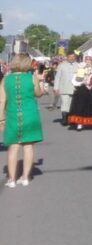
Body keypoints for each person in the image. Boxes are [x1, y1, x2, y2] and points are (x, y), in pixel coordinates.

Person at [2, 54, 44, 187]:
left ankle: (12, 179)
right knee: (28, 146)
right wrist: (40, 81)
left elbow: (2, 100)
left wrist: (0, 119)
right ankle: (25, 177)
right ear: (28, 64)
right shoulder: (32, 78)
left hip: (13, 115)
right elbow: (39, 94)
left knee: (13, 147)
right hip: (30, 115)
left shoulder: (6, 80)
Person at [67, 56, 92, 131]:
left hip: (89, 91)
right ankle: (79, 123)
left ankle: (85, 122)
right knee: (80, 107)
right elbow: (74, 80)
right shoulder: (80, 69)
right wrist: (81, 82)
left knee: (87, 108)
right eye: (87, 61)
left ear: (91, 62)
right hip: (81, 90)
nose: (88, 62)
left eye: (89, 61)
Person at [54, 51, 79, 125]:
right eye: (70, 57)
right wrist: (56, 88)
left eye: (73, 57)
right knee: (65, 103)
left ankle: (70, 118)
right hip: (64, 88)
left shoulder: (78, 66)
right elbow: (57, 77)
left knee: (71, 104)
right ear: (67, 57)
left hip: (75, 89)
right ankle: (64, 119)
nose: (72, 58)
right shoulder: (61, 65)